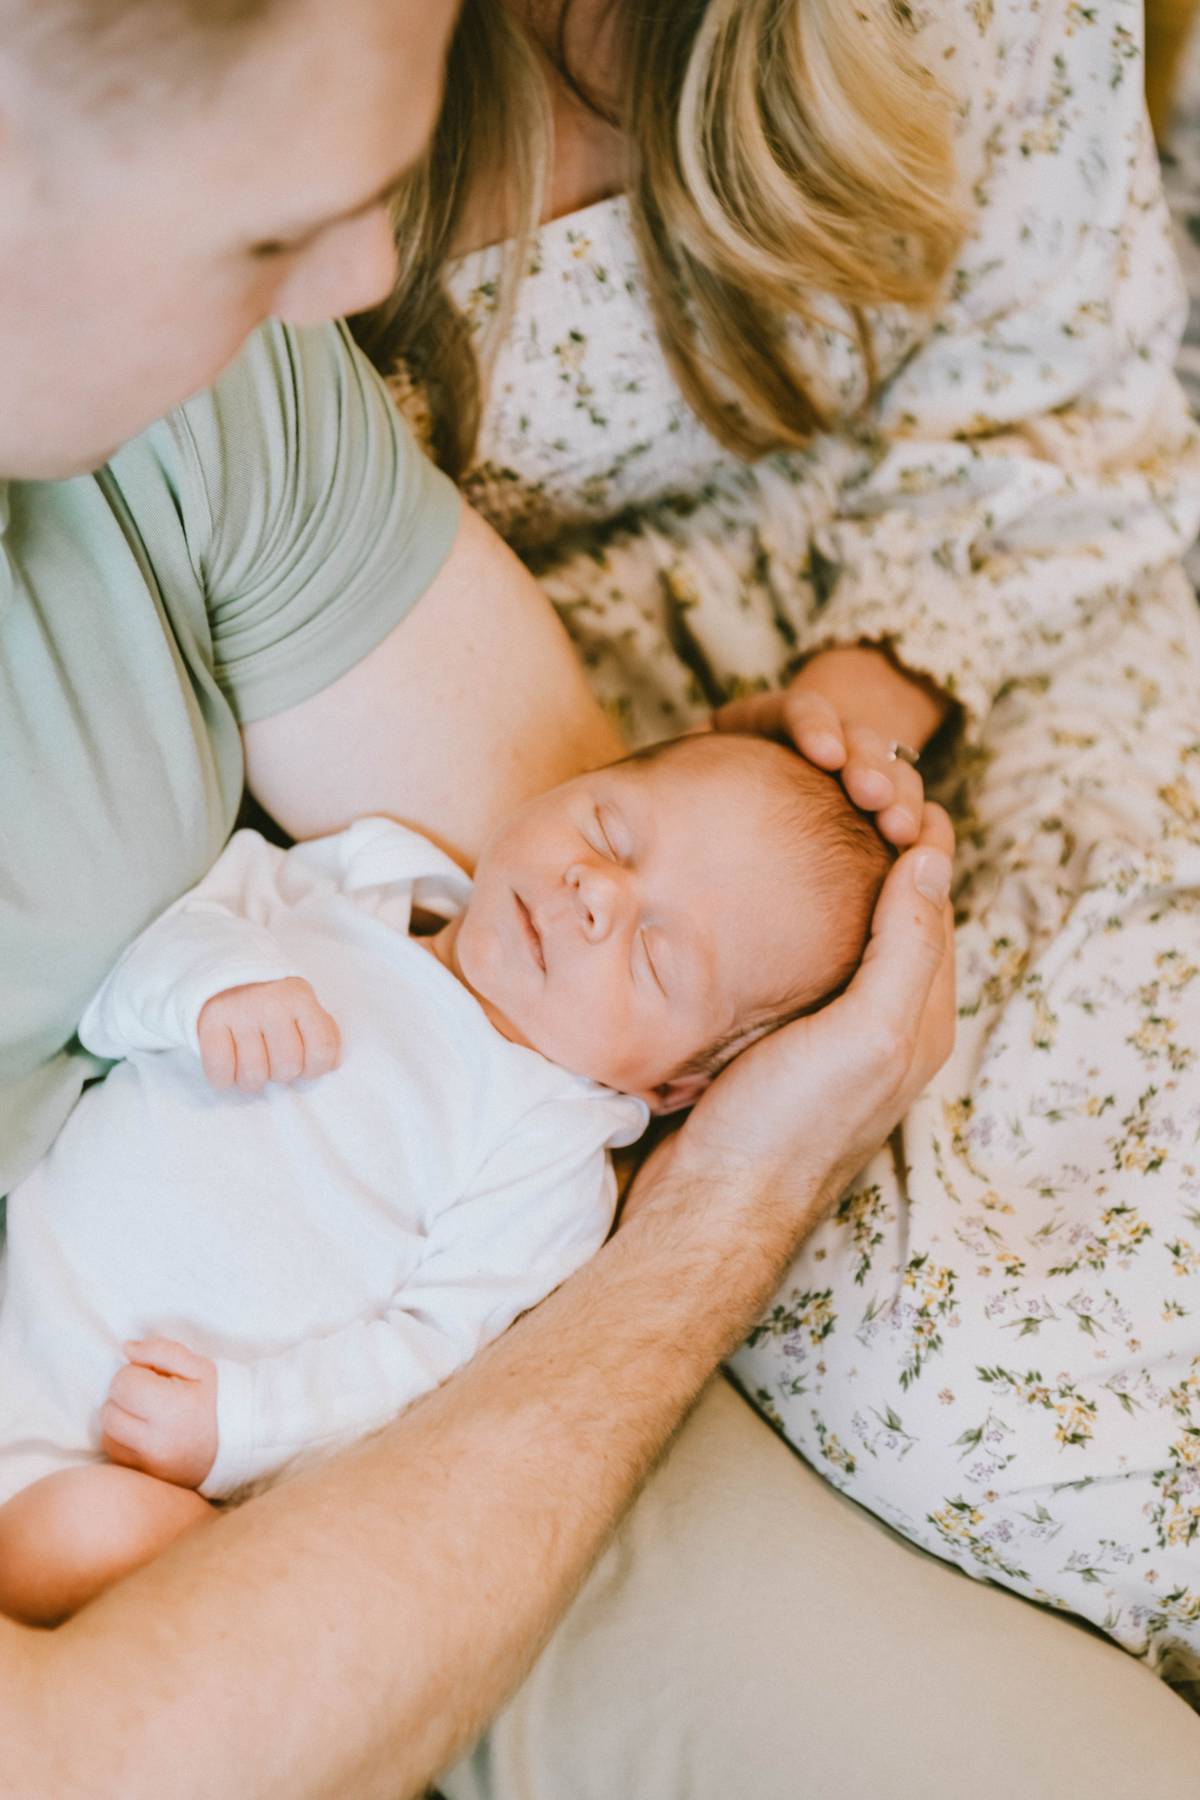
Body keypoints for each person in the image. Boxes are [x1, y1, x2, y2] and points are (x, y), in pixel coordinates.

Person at [355, 0, 1200, 1750]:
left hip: (982, 619)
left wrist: (860, 710)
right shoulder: (240, 84)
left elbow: (1064, 404)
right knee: (1001, 1385)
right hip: (558, 785)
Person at [0, 735, 890, 1623]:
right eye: (608, 830)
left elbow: (424, 1356)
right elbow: (121, 990)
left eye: (656, 957)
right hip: (20, 1265)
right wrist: (209, 983)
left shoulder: (548, 1155)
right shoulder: (362, 883)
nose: (599, 892)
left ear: (673, 1086)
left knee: (104, 1541)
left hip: (102, 1456)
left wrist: (244, 1424)